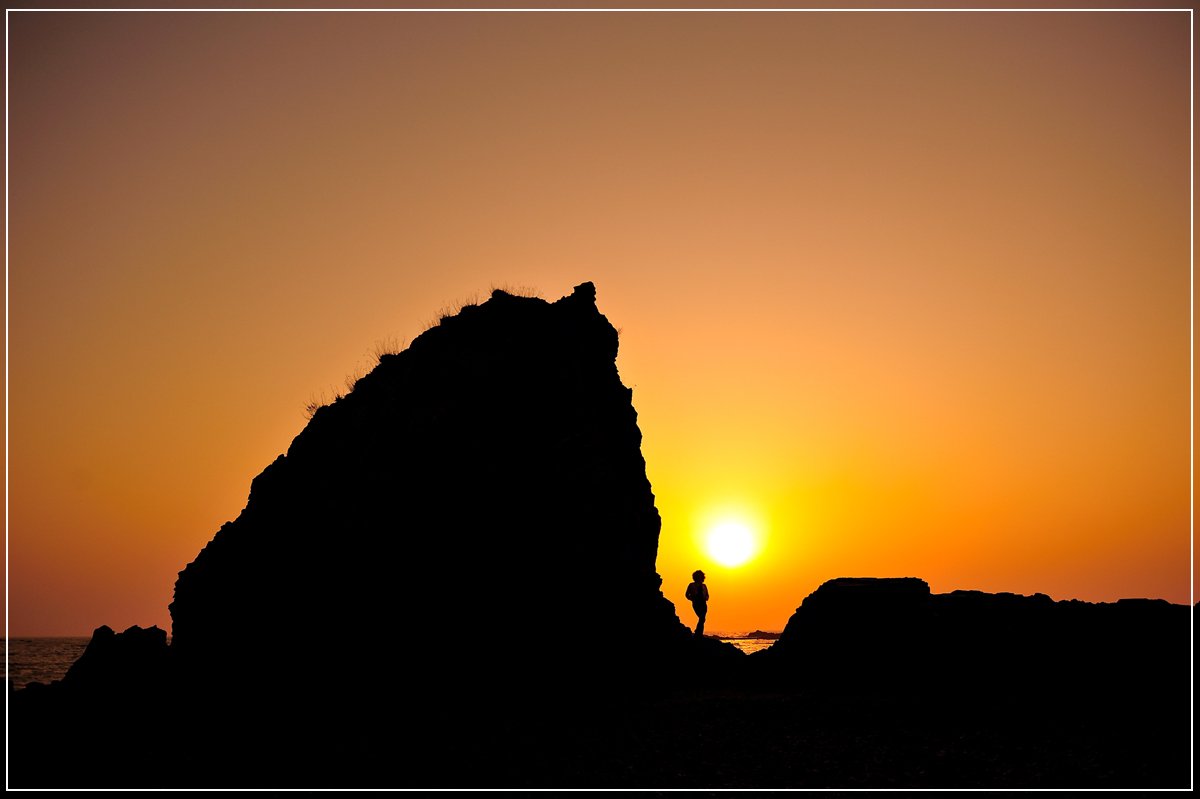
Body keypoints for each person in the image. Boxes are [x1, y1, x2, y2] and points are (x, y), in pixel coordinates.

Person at [684, 570, 709, 637]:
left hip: (703, 603)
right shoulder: (691, 585)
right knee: (702, 618)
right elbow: (687, 594)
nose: (699, 577)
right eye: (698, 576)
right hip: (696, 603)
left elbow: (707, 595)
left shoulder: (704, 586)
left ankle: (699, 633)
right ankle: (698, 632)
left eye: (701, 576)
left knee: (702, 618)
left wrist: (706, 598)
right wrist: (692, 599)